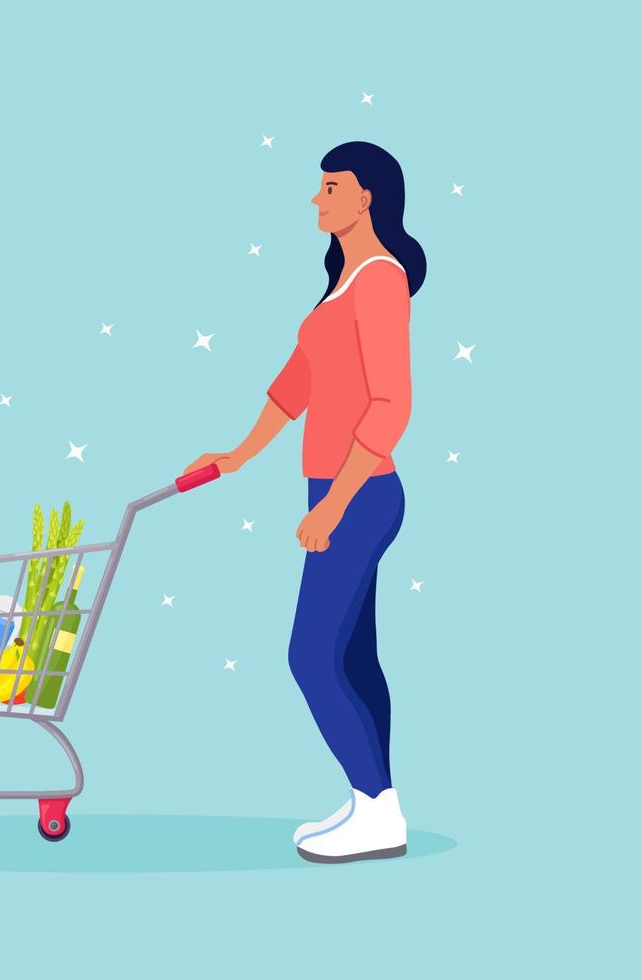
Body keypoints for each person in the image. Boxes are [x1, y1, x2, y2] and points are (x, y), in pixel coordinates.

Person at [185, 141, 427, 864]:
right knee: (354, 657)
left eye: (329, 187)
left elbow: (389, 406)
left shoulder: (379, 282)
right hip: (338, 488)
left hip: (361, 490)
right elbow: (293, 387)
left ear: (366, 199)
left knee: (310, 656)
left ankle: (378, 812)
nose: (315, 200)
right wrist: (232, 456)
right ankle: (370, 803)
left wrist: (332, 505)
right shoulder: (340, 283)